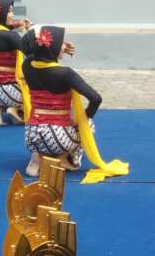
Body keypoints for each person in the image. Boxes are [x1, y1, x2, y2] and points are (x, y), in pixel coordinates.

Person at [21, 26, 117, 180]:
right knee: (87, 124)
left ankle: (36, 158)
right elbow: (95, 98)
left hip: (31, 135)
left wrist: (55, 49)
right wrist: (84, 118)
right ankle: (62, 159)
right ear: (51, 48)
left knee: (45, 130)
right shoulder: (65, 73)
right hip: (57, 137)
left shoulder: (27, 66)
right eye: (62, 44)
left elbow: (32, 54)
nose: (65, 45)